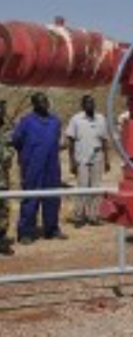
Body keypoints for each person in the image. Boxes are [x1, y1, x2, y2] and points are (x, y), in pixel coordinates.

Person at [12, 92, 65, 243]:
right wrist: (27, 156)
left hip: (52, 166)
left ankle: (52, 229)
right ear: (34, 104)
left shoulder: (55, 121)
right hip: (32, 166)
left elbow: (56, 140)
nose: (45, 104)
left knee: (52, 197)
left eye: (46, 101)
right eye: (41, 101)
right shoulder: (26, 121)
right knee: (30, 198)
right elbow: (16, 141)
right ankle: (26, 232)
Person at [66, 94, 110, 227]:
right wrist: (72, 161)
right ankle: (79, 215)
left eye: (92, 102)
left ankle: (93, 216)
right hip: (81, 158)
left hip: (97, 157)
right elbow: (70, 141)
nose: (90, 105)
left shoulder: (101, 119)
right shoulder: (76, 119)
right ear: (83, 105)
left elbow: (104, 140)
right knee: (82, 187)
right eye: (88, 103)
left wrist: (107, 160)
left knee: (96, 188)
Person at [0, 99, 15, 255]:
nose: (2, 112)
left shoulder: (8, 129)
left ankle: (2, 239)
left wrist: (8, 154)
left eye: (3, 109)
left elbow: (11, 147)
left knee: (4, 209)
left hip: (3, 177)